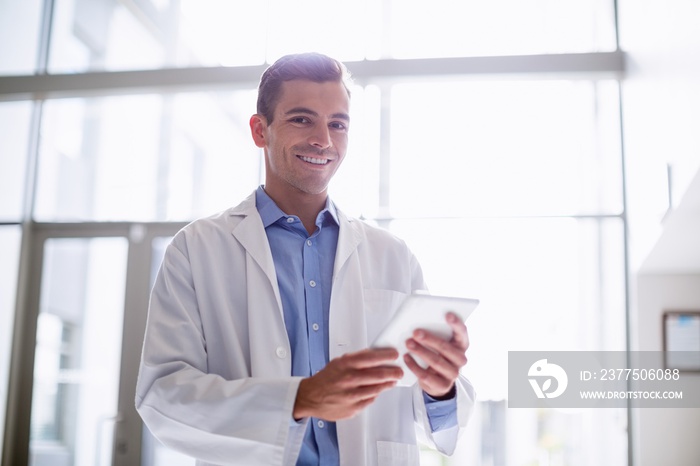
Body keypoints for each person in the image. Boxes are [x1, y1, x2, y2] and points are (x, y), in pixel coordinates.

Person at [135, 52, 475, 466]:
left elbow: (436, 417)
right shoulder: (197, 248)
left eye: (338, 124)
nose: (324, 140)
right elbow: (163, 397)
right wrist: (299, 399)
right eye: (301, 119)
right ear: (260, 130)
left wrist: (441, 387)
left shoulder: (392, 255)